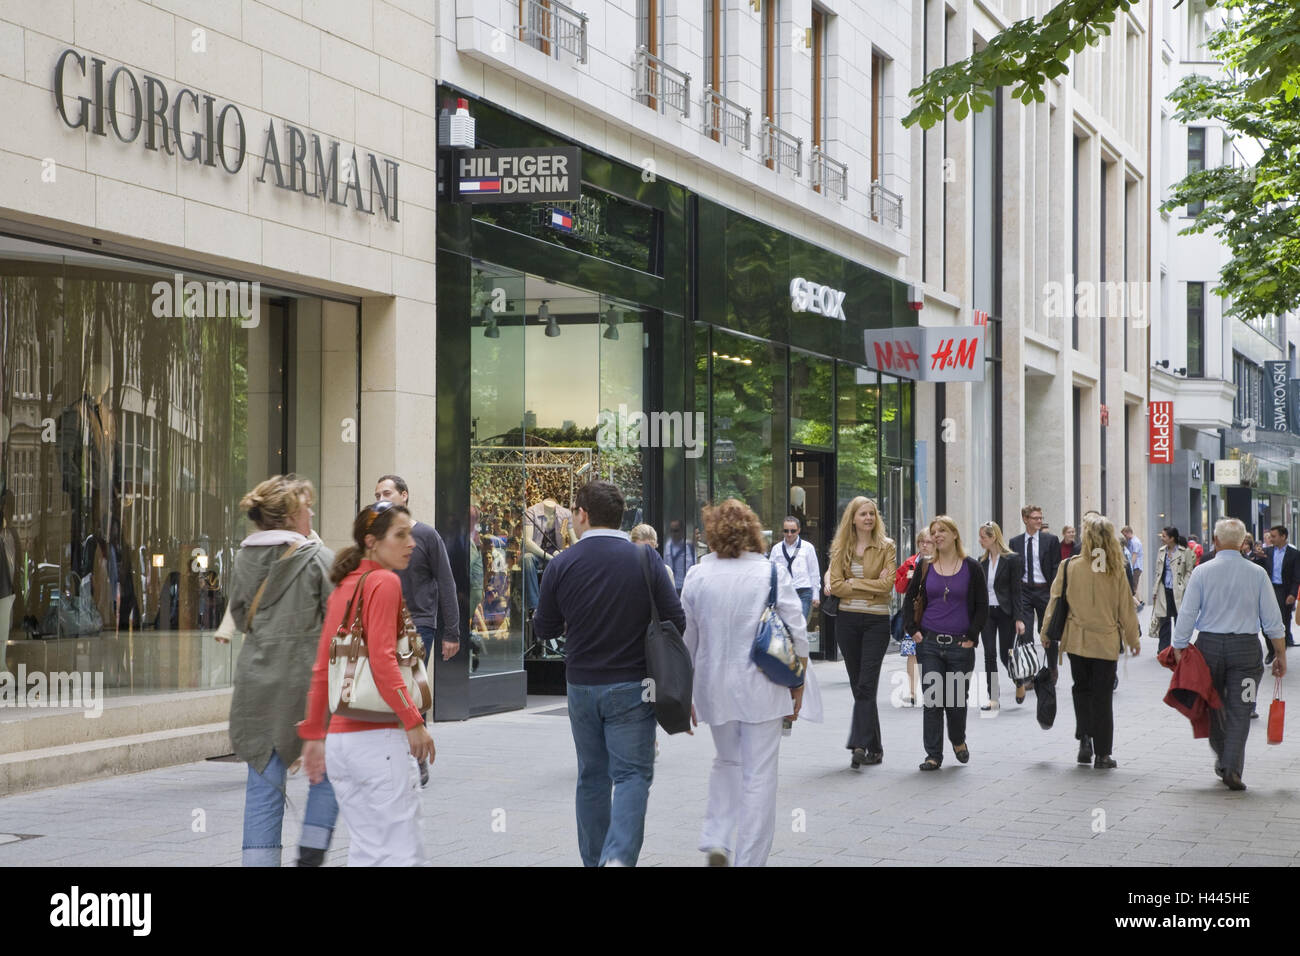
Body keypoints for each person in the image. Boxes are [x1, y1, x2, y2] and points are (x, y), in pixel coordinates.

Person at [533, 481, 684, 867]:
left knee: (592, 776)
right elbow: (676, 620)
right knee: (632, 775)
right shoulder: (644, 559)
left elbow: (544, 629)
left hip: (581, 686)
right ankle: (617, 859)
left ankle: (596, 860)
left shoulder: (562, 563)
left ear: (582, 515)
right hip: (635, 685)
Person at [299, 501, 435, 866]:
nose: (411, 543)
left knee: (366, 851)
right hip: (380, 741)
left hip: (342, 745)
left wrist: (314, 734)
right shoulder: (384, 582)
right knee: (402, 854)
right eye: (400, 535)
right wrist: (414, 721)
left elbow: (321, 667)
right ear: (372, 541)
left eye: (410, 533)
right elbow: (382, 659)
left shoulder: (345, 584)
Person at [683, 499, 807, 867]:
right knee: (759, 776)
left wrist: (686, 692)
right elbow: (797, 629)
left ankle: (717, 837)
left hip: (714, 687)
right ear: (754, 530)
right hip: (763, 687)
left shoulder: (697, 575)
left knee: (726, 761)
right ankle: (750, 861)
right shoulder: (769, 573)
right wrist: (799, 681)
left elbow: (686, 639)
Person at [227, 475, 338, 867]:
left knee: (263, 785)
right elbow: (338, 623)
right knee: (328, 771)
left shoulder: (242, 559)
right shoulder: (319, 560)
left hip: (256, 688)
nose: (311, 513)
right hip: (306, 689)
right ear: (292, 515)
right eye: (307, 507)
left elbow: (241, 618)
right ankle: (311, 849)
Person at [1173, 518, 1286, 790]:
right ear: (1243, 542)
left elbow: (1187, 612)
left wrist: (1179, 646)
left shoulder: (1202, 572)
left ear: (1215, 540)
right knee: (1242, 709)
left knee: (1212, 705)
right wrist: (1280, 653)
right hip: (1246, 652)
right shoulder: (1257, 573)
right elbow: (1272, 618)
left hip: (1208, 650)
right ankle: (1232, 767)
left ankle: (1225, 759)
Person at [1042, 515, 1140, 769]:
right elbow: (1125, 608)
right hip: (1105, 641)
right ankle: (1103, 754)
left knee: (1081, 689)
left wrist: (1045, 633)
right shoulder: (1116, 569)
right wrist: (1132, 638)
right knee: (1102, 695)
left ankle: (1085, 740)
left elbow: (1054, 601)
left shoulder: (1069, 566)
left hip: (1076, 640)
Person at [903, 515, 987, 770]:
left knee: (956, 700)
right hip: (929, 642)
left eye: (942, 531)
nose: (936, 535)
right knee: (933, 699)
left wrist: (972, 636)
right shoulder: (926, 566)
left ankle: (958, 738)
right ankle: (933, 755)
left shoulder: (972, 567)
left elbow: (982, 606)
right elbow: (910, 599)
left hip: (960, 645)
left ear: (954, 535)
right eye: (934, 531)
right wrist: (913, 629)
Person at [827, 496, 897, 769]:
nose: (868, 518)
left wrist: (853, 582)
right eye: (863, 514)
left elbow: (887, 586)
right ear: (852, 519)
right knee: (860, 687)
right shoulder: (840, 547)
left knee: (867, 684)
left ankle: (858, 744)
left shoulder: (886, 547)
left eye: (872, 513)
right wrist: (869, 584)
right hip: (847, 621)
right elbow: (835, 586)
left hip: (876, 622)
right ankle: (876, 747)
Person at [375, 476, 461, 668]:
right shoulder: (376, 538)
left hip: (418, 624)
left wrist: (452, 633)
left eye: (387, 494)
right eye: (377, 495)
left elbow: (446, 583)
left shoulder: (427, 536)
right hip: (382, 624)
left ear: (404, 495)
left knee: (411, 687)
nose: (381, 499)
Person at [1009, 505, 1062, 680]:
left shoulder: (1051, 540)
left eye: (1040, 518)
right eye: (1035, 518)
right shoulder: (1015, 542)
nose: (1039, 521)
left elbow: (1056, 565)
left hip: (1044, 591)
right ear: (1025, 519)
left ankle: (1052, 666)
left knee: (1047, 631)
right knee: (1026, 633)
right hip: (1024, 591)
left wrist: (1054, 589)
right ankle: (1030, 671)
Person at [977, 521, 1026, 709]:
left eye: (983, 537)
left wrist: (1019, 618)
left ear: (993, 537)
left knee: (1006, 654)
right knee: (989, 654)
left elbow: (1017, 591)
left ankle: (1018, 680)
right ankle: (993, 698)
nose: (980, 541)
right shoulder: (981, 562)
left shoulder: (1012, 559)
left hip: (1006, 612)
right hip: (987, 613)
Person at [893, 528, 933, 707]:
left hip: (933, 613)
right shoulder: (910, 562)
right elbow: (899, 588)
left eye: (928, 542)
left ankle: (932, 690)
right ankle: (911, 691)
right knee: (912, 652)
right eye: (922, 542)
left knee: (932, 653)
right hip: (915, 613)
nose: (925, 545)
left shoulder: (941, 562)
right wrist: (908, 578)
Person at [1257, 524, 1299, 659]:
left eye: (1274, 536)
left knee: (1283, 621)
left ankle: (1281, 649)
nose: (1271, 539)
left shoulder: (1294, 554)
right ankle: (1271, 649)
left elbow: (1296, 576)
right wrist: (1257, 557)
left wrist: (1293, 594)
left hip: (1284, 591)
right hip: (1268, 589)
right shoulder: (1266, 552)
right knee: (1264, 620)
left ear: (1283, 536)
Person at [769, 515, 820, 625]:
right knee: (784, 626)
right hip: (783, 591)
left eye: (793, 531)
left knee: (800, 626)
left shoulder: (808, 547)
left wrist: (816, 594)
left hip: (803, 591)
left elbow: (814, 572)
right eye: (786, 531)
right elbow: (771, 572)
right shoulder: (776, 549)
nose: (789, 534)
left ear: (799, 530)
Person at [1151, 527, 1196, 653]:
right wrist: (1155, 591)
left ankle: (1179, 648)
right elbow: (1157, 572)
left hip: (1178, 591)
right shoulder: (1161, 551)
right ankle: (1163, 650)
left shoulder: (1184, 552)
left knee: (1179, 620)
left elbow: (1189, 570)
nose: (1162, 538)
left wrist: (1184, 585)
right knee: (1164, 620)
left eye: (1164, 536)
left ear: (1172, 538)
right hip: (1163, 590)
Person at [630, 523, 674, 587]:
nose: (645, 555)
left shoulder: (665, 571)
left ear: (655, 546)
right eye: (640, 550)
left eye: (650, 551)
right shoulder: (625, 571)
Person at [663, 519, 695, 596]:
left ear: (682, 531)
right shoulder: (667, 546)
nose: (674, 533)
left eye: (676, 531)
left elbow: (693, 567)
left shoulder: (689, 546)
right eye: (672, 531)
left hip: (685, 586)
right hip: (671, 587)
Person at [1121, 526, 1145, 610]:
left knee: (1133, 586)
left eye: (1124, 535)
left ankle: (1137, 604)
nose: (1124, 537)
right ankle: (1139, 602)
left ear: (1128, 532)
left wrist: (1130, 569)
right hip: (1134, 567)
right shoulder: (1131, 541)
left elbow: (1134, 556)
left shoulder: (1135, 542)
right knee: (1134, 585)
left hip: (1136, 567)